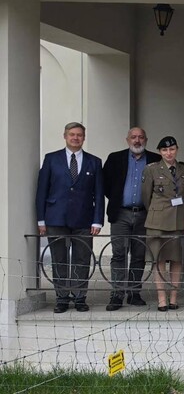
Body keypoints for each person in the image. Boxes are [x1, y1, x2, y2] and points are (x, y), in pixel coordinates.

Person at [36, 122, 104, 313]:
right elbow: (42, 190)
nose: (76, 138)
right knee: (59, 258)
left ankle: (80, 297)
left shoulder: (94, 161)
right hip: (56, 217)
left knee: (82, 259)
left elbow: (98, 194)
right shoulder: (51, 159)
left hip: (84, 219)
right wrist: (41, 220)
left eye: (79, 135)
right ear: (65, 136)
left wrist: (97, 220)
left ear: (84, 137)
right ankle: (62, 298)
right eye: (72, 134)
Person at [102, 126, 160, 311]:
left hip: (145, 214)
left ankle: (134, 293)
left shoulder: (154, 159)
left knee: (138, 255)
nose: (137, 140)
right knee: (119, 254)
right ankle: (117, 294)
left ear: (146, 139)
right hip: (120, 213)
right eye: (133, 137)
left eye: (141, 137)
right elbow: (105, 184)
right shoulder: (115, 158)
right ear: (127, 139)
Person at [142, 136, 184, 312]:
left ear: (177, 149)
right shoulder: (152, 169)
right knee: (159, 260)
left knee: (177, 260)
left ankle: (173, 298)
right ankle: (162, 299)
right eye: (164, 150)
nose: (168, 153)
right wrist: (158, 211)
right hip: (157, 222)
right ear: (160, 152)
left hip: (179, 220)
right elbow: (146, 197)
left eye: (171, 149)